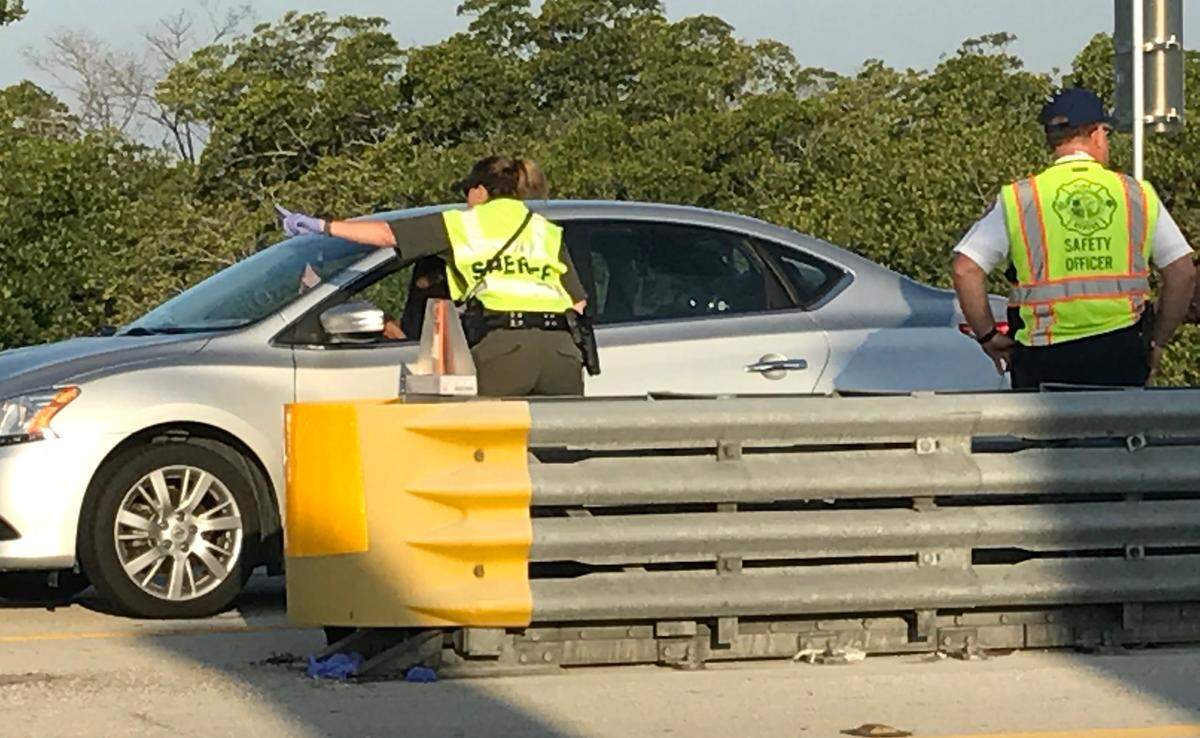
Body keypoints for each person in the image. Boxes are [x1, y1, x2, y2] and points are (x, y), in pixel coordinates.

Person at [277, 155, 588, 397]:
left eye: (467, 191)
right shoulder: (543, 229)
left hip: (504, 346)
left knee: (484, 450)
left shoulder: (462, 224)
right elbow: (578, 302)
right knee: (554, 459)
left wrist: (323, 227)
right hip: (561, 351)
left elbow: (386, 234)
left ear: (479, 190)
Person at [951, 87, 1195, 389]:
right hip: (1120, 353)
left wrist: (988, 336)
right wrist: (1157, 341)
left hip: (1042, 358)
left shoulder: (1019, 198)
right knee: (1119, 436)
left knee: (1049, 438)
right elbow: (1182, 273)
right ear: (1096, 133)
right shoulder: (1137, 195)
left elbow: (965, 269)